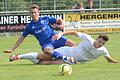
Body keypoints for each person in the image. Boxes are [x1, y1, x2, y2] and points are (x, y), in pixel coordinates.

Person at [3, 4, 76, 64]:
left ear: (38, 13)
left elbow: (60, 20)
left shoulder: (45, 18)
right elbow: (21, 38)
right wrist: (12, 49)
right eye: (32, 13)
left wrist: (62, 25)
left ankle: (76, 59)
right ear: (29, 14)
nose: (34, 14)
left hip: (55, 38)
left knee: (73, 44)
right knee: (48, 53)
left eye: (35, 12)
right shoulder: (30, 26)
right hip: (46, 44)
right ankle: (66, 59)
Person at [9, 30, 120, 64]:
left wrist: (116, 62)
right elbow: (74, 32)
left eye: (102, 43)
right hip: (68, 51)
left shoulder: (103, 50)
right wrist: (62, 34)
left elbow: (109, 60)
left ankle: (34, 60)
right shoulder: (88, 38)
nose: (100, 44)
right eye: (99, 41)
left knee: (46, 63)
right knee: (46, 56)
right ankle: (19, 56)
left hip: (74, 61)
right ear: (97, 39)